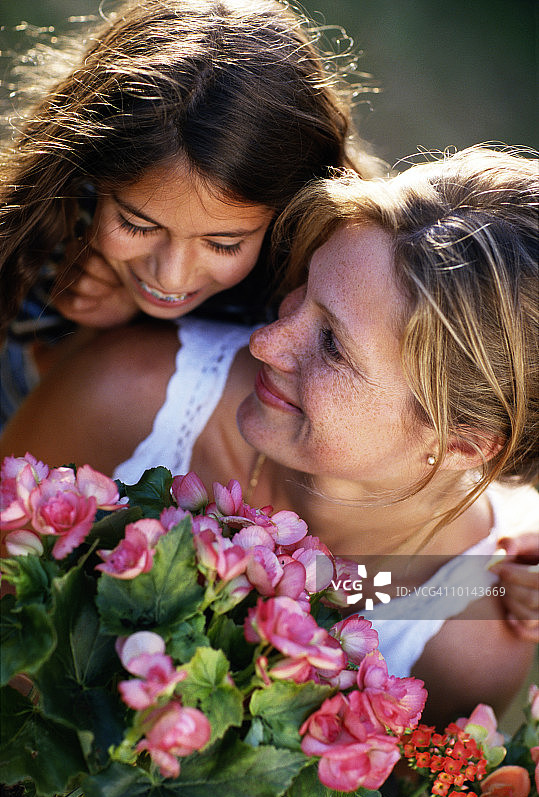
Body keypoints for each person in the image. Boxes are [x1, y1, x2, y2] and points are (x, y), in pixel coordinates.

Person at [2, 145, 537, 724]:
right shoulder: (129, 397)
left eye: (333, 344)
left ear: (463, 445)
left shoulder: (474, 633)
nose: (266, 342)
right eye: (304, 289)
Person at [0, 0, 380, 424]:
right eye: (136, 224)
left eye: (224, 243)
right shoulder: (53, 218)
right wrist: (81, 331)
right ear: (93, 169)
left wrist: (115, 333)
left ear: (289, 213)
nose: (171, 276)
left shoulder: (319, 299)